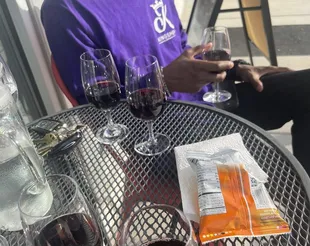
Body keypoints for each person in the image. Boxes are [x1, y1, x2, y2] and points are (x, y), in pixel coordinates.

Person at [41, 0, 310, 174]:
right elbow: (96, 110)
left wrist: (237, 68)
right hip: (158, 132)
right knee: (280, 168)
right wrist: (163, 83)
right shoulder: (65, 10)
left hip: (209, 101)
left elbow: (183, 49)